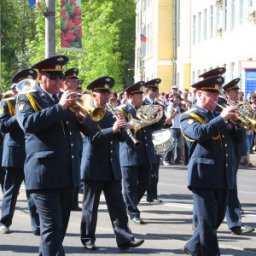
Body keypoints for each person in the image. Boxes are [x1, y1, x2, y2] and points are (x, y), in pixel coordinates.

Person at [16, 55, 88, 256]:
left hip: (67, 175)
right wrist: (60, 107)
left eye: (61, 77)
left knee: (58, 232)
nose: (59, 81)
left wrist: (85, 116)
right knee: (51, 229)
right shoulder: (28, 97)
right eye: (54, 76)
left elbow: (88, 131)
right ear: (41, 77)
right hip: (43, 175)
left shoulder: (66, 100)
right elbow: (28, 124)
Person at [180, 75, 243, 256]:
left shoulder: (218, 115)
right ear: (199, 94)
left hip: (223, 175)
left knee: (216, 219)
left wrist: (233, 126)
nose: (216, 100)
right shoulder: (189, 116)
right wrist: (221, 120)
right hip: (203, 176)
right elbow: (199, 133)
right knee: (207, 223)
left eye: (217, 96)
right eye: (211, 96)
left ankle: (192, 246)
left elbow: (238, 139)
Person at [80, 76, 144, 251]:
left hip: (111, 166)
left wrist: (125, 129)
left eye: (108, 93)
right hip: (93, 165)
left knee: (117, 206)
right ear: (94, 95)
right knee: (90, 207)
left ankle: (124, 238)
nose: (108, 96)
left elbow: (120, 138)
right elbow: (92, 138)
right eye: (103, 93)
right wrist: (113, 129)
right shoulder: (86, 113)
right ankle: (87, 238)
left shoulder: (111, 113)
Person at [0, 68, 40, 235]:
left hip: (32, 153)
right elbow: (2, 126)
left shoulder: (35, 101)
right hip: (14, 153)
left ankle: (37, 225)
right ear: (16, 87)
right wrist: (20, 115)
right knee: (11, 189)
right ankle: (4, 222)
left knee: (33, 191)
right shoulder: (8, 103)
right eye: (23, 83)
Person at [119, 81, 157, 224]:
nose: (142, 96)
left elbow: (158, 124)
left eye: (142, 94)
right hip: (130, 152)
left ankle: (129, 205)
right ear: (130, 96)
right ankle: (133, 212)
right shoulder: (121, 110)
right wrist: (130, 124)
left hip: (146, 152)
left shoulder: (145, 108)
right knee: (129, 185)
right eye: (138, 94)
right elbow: (120, 130)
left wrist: (159, 114)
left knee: (146, 182)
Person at [222, 78, 255, 235]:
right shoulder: (221, 107)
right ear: (227, 92)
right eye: (234, 91)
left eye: (237, 90)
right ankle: (198, 221)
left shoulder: (241, 107)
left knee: (231, 186)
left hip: (234, 151)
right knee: (209, 190)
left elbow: (241, 134)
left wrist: (245, 153)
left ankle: (235, 223)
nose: (237, 93)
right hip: (220, 151)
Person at [63, 67, 82, 211]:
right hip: (64, 142)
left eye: (76, 80)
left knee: (75, 171)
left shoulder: (80, 98)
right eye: (73, 80)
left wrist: (83, 118)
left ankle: (74, 202)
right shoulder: (60, 98)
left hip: (76, 141)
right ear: (65, 82)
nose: (76, 82)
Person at [143, 78, 165, 203]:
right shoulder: (143, 104)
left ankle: (152, 194)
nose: (156, 92)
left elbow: (162, 122)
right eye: (153, 89)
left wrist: (166, 121)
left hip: (156, 139)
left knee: (155, 168)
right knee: (145, 169)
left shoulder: (159, 105)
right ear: (147, 91)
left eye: (157, 89)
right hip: (146, 138)